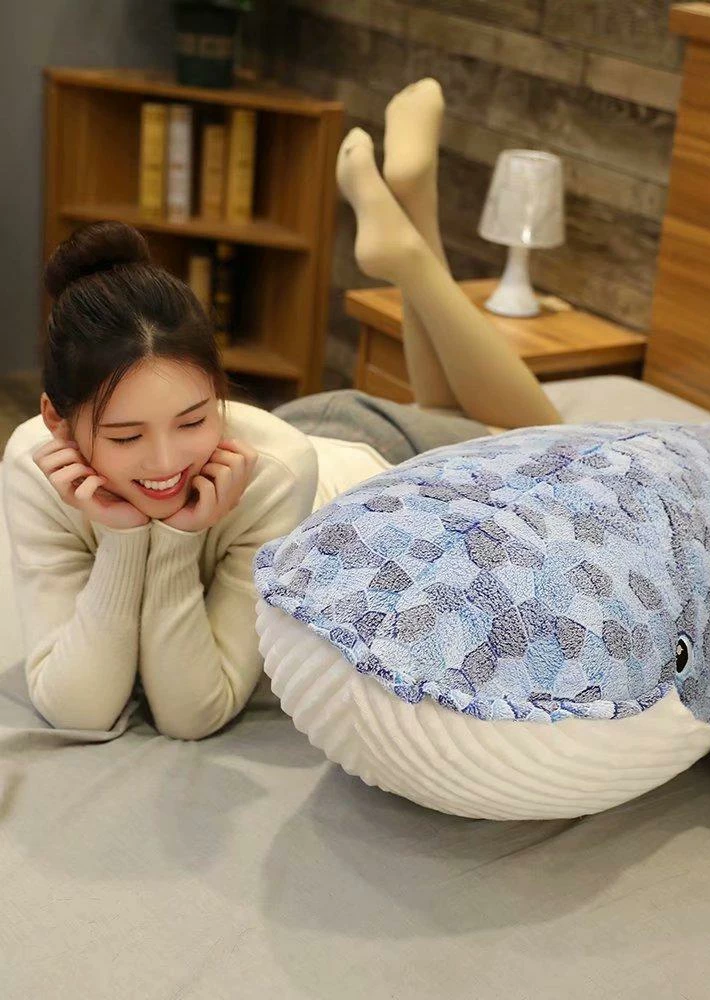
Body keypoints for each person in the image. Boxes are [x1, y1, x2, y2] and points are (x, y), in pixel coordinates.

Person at [1, 78, 561, 740]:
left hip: (365, 459)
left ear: (220, 391)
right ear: (56, 420)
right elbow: (77, 709)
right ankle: (413, 216)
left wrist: (175, 541)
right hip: (303, 434)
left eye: (193, 419)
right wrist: (126, 538)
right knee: (453, 405)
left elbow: (195, 711)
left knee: (542, 437)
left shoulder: (273, 470)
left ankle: (411, 252)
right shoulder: (36, 464)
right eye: (126, 437)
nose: (165, 461)